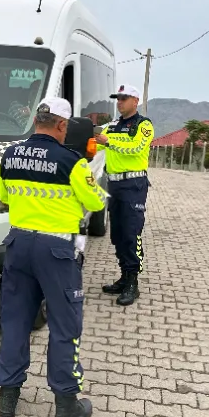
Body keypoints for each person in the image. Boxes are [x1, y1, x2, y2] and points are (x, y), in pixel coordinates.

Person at [0, 97, 107, 417]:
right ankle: (66, 405)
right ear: (61, 125)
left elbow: (4, 195)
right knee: (64, 325)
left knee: (15, 320)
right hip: (56, 250)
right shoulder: (72, 162)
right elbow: (95, 201)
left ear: (36, 121)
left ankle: (8, 396)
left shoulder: (10, 155)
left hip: (18, 244)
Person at [95, 84, 154, 306]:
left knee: (131, 232)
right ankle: (123, 276)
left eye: (124, 98)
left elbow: (136, 147)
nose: (119, 102)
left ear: (135, 101)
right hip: (114, 185)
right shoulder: (111, 126)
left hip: (133, 185)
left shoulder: (143, 125)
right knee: (118, 234)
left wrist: (109, 141)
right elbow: (96, 146)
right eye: (117, 98)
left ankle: (132, 282)